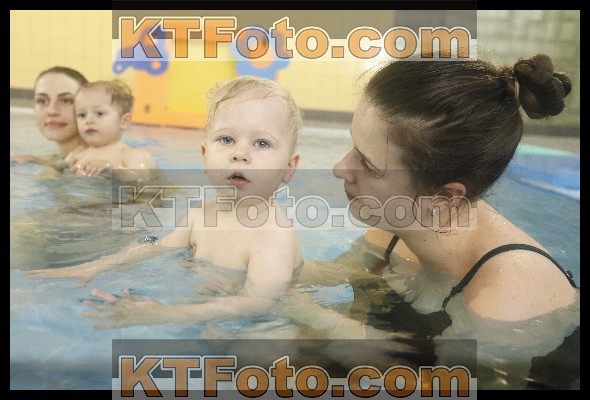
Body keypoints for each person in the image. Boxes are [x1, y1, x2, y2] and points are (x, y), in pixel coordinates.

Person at [284, 53, 579, 389]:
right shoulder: (394, 227)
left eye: (368, 164)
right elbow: (337, 285)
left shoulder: (506, 296)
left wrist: (334, 330)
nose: (340, 168)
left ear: (443, 197)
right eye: (353, 146)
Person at [28, 75, 303, 328]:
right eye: (226, 139)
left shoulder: (272, 235)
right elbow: (157, 247)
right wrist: (95, 266)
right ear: (205, 155)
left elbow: (259, 302)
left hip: (262, 323)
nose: (239, 154)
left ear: (289, 168)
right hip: (210, 306)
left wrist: (165, 313)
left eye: (262, 143)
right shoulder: (200, 215)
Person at [64, 79, 156, 182]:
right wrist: (65, 169)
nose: (88, 120)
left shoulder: (129, 155)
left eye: (99, 114)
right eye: (82, 115)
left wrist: (111, 169)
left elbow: (142, 179)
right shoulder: (77, 156)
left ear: (124, 121)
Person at [11, 66, 88, 168]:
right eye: (42, 101)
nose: (52, 111)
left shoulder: (93, 163)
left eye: (66, 101)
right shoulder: (69, 159)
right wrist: (37, 160)